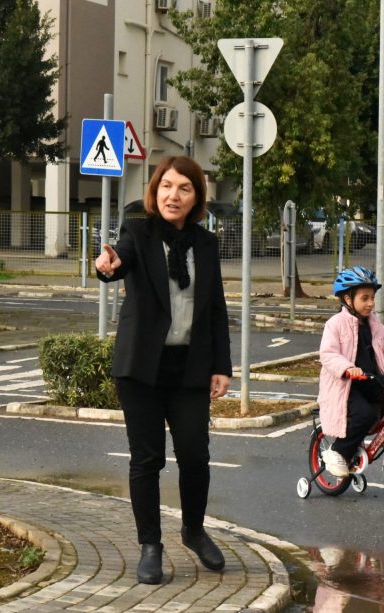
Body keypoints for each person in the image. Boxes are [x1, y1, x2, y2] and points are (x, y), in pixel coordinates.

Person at [95, 155, 232, 585]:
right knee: (147, 459)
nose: (174, 195)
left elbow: (215, 309)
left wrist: (222, 366)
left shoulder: (206, 244)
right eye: (167, 186)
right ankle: (150, 545)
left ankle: (193, 529)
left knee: (195, 456)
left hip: (189, 367)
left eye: (184, 188)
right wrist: (108, 266)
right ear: (155, 191)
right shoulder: (138, 231)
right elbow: (121, 260)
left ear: (196, 198)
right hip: (142, 368)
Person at [318, 266, 384, 478]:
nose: (371, 303)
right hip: (346, 386)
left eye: (372, 297)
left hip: (371, 379)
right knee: (364, 414)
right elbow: (328, 354)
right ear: (348, 299)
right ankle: (337, 451)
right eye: (364, 298)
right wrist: (347, 368)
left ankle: (372, 437)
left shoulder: (375, 326)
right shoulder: (335, 324)